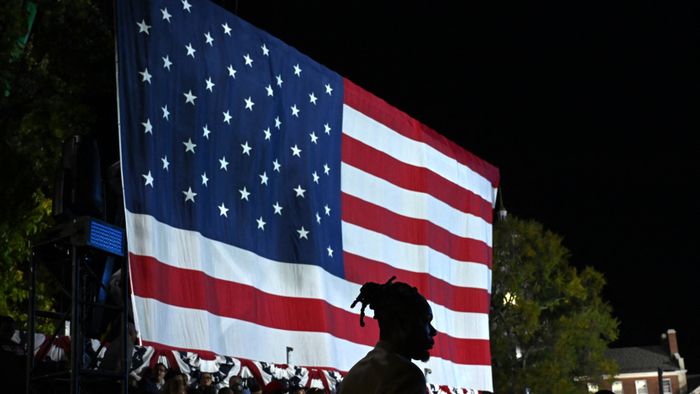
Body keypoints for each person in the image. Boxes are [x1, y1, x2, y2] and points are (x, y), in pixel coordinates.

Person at [339, 277, 436, 394]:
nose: (433, 331)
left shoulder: (353, 375)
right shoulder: (407, 376)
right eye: (426, 321)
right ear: (403, 323)